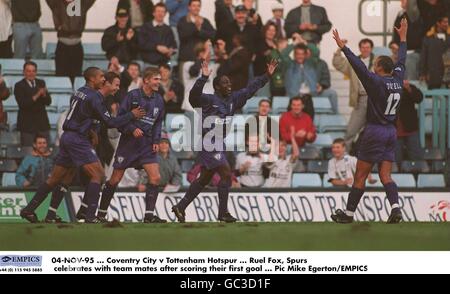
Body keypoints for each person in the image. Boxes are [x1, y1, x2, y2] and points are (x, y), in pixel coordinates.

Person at [19, 68, 146, 223]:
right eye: (101, 77)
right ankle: (89, 216)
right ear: (92, 79)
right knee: (98, 175)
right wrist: (132, 114)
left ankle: (33, 211)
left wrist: (92, 130)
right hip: (77, 139)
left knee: (59, 178)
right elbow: (111, 122)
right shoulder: (95, 97)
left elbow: (83, 114)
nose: (103, 79)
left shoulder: (79, 91)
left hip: (68, 136)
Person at [171, 59, 279, 223]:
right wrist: (203, 78)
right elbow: (193, 97)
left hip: (219, 143)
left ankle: (180, 206)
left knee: (204, 179)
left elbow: (250, 89)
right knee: (226, 174)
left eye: (229, 83)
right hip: (208, 143)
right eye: (225, 83)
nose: (229, 85)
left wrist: (267, 76)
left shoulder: (233, 99)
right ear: (216, 87)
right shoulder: (208, 100)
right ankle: (223, 213)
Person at [330, 18, 408, 224]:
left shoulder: (375, 82)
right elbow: (402, 60)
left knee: (360, 176)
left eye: (374, 65)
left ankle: (348, 215)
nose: (372, 67)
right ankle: (395, 208)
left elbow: (358, 67)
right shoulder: (398, 79)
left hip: (375, 130)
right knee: (385, 176)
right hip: (391, 132)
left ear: (380, 68)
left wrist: (344, 48)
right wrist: (403, 38)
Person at [96, 67, 165, 223]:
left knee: (155, 178)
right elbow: (119, 121)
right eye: (156, 79)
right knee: (115, 179)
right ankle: (101, 213)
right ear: (146, 80)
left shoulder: (159, 100)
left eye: (159, 80)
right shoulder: (132, 96)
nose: (158, 83)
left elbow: (158, 122)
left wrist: (156, 141)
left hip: (147, 144)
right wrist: (132, 129)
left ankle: (148, 215)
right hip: (129, 144)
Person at [333, 38, 376, 151]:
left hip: (377, 100)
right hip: (361, 99)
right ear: (360, 49)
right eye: (363, 47)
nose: (365, 50)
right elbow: (337, 63)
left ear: (371, 49)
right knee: (350, 131)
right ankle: (344, 157)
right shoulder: (353, 61)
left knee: (378, 133)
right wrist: (339, 49)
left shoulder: (378, 61)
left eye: (367, 47)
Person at [46, 0, 96, 83]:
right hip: (62, 47)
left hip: (76, 47)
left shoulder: (81, 4)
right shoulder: (57, 3)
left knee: (76, 77)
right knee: (61, 77)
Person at [14, 61, 52, 146]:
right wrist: (37, 94)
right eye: (28, 71)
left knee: (46, 151)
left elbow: (48, 102)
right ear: (24, 72)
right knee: (28, 152)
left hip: (42, 124)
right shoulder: (19, 85)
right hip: (27, 126)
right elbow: (22, 104)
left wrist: (44, 94)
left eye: (33, 71)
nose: (31, 73)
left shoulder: (41, 82)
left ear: (36, 72)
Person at [138, 3, 177, 67]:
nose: (160, 14)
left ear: (165, 14)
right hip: (149, 63)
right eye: (158, 11)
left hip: (165, 63)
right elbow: (141, 44)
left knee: (172, 64)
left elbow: (174, 46)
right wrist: (156, 47)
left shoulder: (168, 29)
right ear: (153, 13)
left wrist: (171, 50)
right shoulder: (145, 27)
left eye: (162, 12)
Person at [395, 80, 424, 162]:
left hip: (410, 129)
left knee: (416, 159)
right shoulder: (384, 87)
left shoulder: (408, 87)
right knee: (395, 162)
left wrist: (409, 88)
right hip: (394, 131)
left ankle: (417, 174)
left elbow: (419, 98)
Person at [420, 16, 450, 89]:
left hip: (448, 76)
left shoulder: (449, 38)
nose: (446, 24)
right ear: (438, 23)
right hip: (433, 75)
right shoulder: (428, 39)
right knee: (433, 97)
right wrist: (423, 73)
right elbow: (424, 57)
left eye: (447, 22)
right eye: (444, 22)